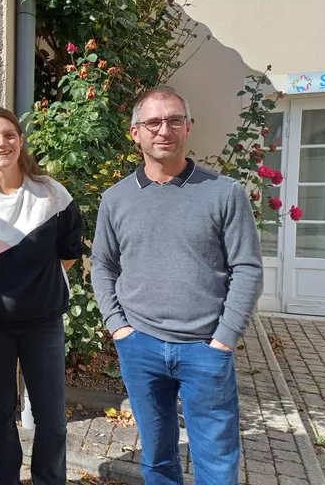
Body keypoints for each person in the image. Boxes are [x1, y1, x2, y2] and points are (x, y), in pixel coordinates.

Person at [91, 86, 263, 485]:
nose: (163, 129)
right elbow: (102, 264)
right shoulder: (116, 199)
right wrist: (118, 326)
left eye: (173, 120)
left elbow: (248, 268)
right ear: (135, 133)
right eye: (152, 122)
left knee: (217, 464)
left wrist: (225, 338)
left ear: (188, 127)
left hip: (205, 349)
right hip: (140, 347)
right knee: (157, 459)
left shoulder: (224, 193)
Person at [0, 107, 83, 485]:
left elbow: (70, 252)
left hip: (43, 322)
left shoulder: (52, 194)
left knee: (52, 416)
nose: (0, 143)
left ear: (21, 140)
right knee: (0, 410)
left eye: (8, 134)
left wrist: (34, 287)